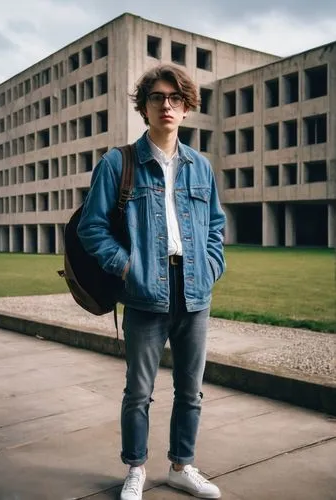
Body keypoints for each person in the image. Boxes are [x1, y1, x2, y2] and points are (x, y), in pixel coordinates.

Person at [77, 64, 226, 500]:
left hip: (196, 289)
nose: (167, 105)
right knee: (139, 392)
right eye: (158, 97)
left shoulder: (200, 166)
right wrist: (128, 268)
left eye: (176, 99)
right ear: (144, 107)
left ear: (186, 108)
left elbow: (216, 225)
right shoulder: (117, 163)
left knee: (191, 390)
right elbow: (92, 227)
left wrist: (213, 264)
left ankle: (182, 466)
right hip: (144, 292)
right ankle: (136, 469)